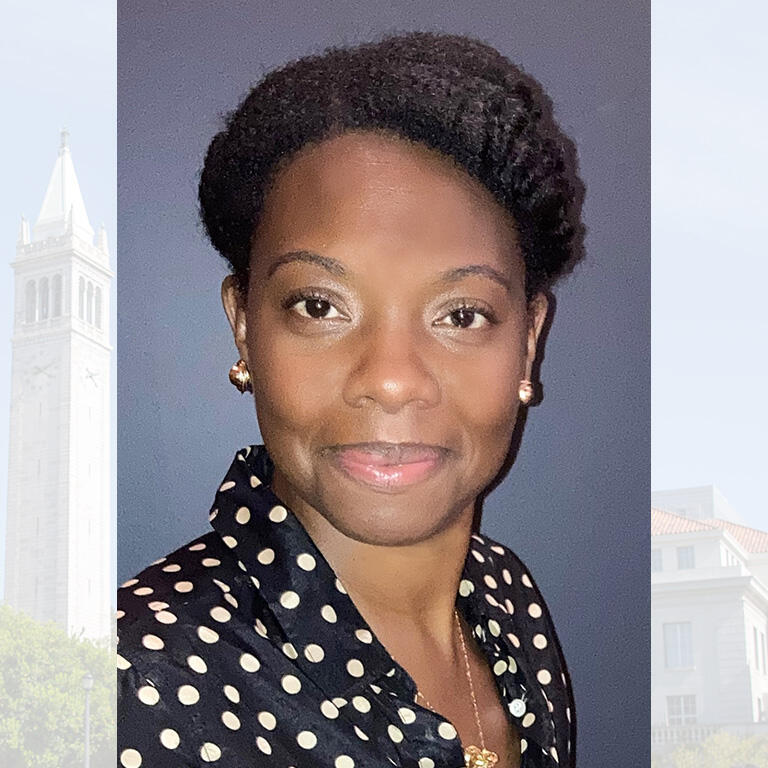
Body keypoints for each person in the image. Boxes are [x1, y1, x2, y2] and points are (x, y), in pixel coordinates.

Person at [117, 31, 583, 768]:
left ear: (527, 341)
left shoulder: (506, 599)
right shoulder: (136, 688)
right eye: (319, 306)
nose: (391, 378)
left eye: (461, 315)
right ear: (244, 328)